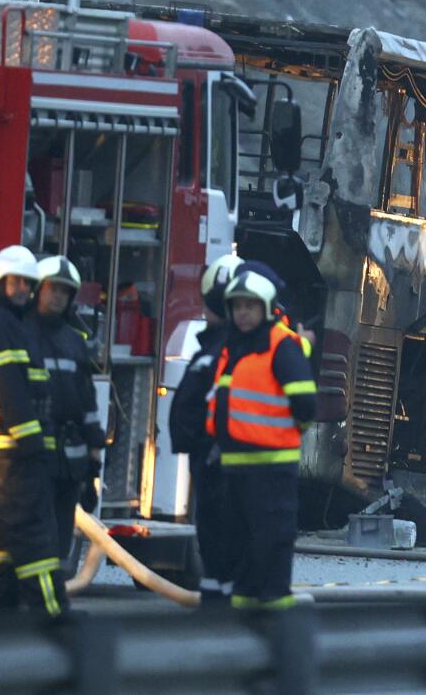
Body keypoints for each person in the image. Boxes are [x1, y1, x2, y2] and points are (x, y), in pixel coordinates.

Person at [0, 245, 68, 618]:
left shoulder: (2, 322)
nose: (23, 288)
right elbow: (8, 387)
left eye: (28, 282)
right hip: (14, 456)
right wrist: (33, 443)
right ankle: (55, 620)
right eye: (16, 281)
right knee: (34, 538)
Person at [206, 269, 316, 609]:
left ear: (266, 308)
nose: (242, 313)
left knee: (272, 538)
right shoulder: (233, 347)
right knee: (239, 541)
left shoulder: (281, 346)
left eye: (250, 306)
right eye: (237, 306)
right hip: (235, 466)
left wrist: (283, 435)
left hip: (271, 466)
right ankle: (244, 608)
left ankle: (274, 610)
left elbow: (306, 404)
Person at [168, 252, 242, 607]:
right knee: (216, 554)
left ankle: (221, 621)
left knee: (223, 552)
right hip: (214, 465)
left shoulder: (228, 352)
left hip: (221, 468)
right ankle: (217, 617)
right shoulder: (225, 349)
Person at [25, 255, 107, 565]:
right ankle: (35, 604)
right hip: (35, 458)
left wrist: (93, 469)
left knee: (60, 539)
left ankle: (53, 598)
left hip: (69, 462)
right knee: (36, 537)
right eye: (52, 289)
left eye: (64, 291)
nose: (58, 296)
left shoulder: (74, 342)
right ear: (38, 290)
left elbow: (88, 407)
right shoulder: (21, 334)